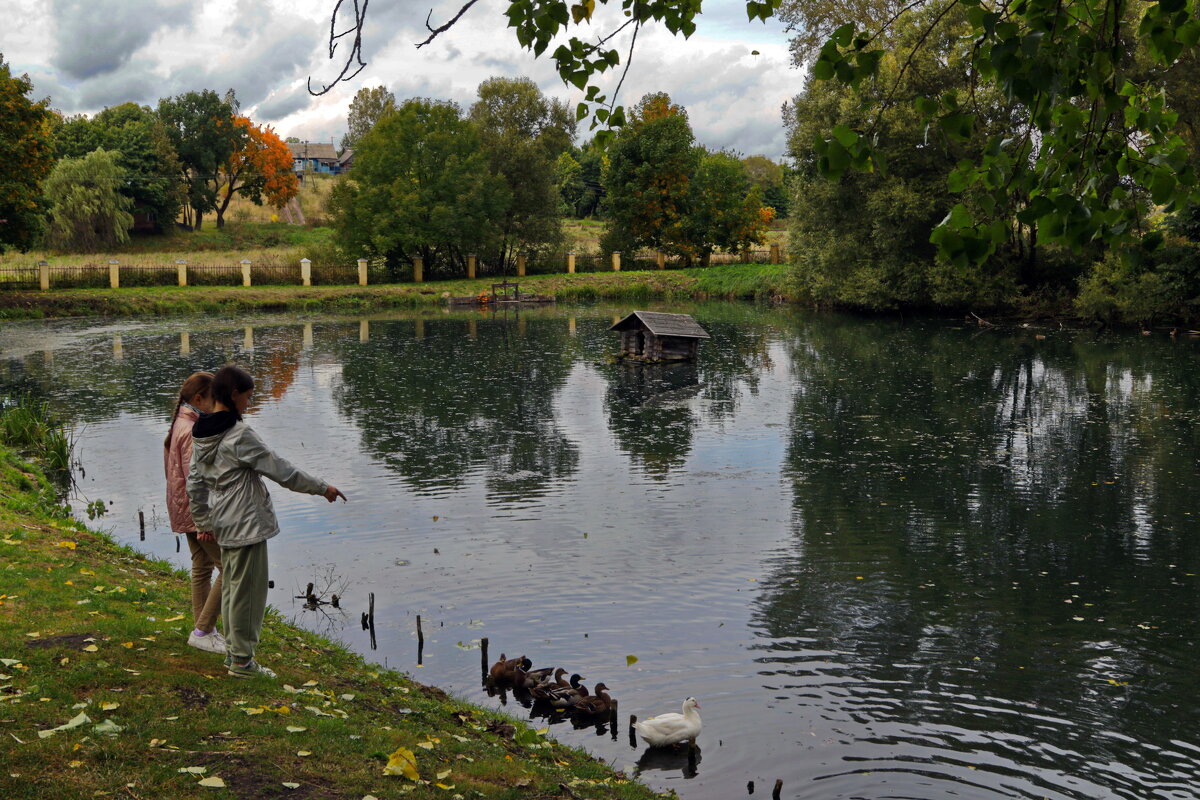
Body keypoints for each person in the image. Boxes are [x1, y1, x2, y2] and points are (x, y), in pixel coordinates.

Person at [186, 364, 346, 679]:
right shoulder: (238, 434)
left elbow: (194, 484)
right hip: (246, 524)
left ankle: (234, 656)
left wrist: (204, 523)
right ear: (232, 395)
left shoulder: (202, 432)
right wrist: (321, 487)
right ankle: (244, 664)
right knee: (248, 595)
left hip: (224, 523)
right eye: (247, 397)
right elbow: (281, 470)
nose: (249, 403)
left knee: (233, 590)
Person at [164, 371, 226, 654]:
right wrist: (206, 520)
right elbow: (196, 478)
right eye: (215, 399)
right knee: (231, 567)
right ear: (200, 398)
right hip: (196, 513)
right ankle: (203, 630)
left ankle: (204, 631)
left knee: (201, 567)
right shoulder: (192, 429)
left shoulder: (179, 421)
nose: (218, 405)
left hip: (182, 509)